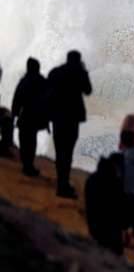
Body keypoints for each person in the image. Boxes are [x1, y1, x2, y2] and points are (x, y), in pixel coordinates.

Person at [46, 50, 92, 198]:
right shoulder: (80, 72)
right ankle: (63, 185)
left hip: (57, 116)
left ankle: (61, 183)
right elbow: (88, 90)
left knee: (60, 150)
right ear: (78, 60)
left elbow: (47, 92)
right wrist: (84, 71)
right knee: (68, 150)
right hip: (72, 118)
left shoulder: (55, 72)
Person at [11, 58, 48, 177]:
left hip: (25, 116)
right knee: (31, 141)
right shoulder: (41, 80)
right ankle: (28, 166)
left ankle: (27, 165)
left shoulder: (24, 80)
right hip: (35, 117)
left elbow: (17, 99)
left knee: (24, 140)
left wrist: (14, 115)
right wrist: (47, 118)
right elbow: (48, 100)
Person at [84, 155, 127, 255]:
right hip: (112, 234)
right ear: (117, 167)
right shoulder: (115, 184)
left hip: (94, 228)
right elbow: (120, 211)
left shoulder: (92, 179)